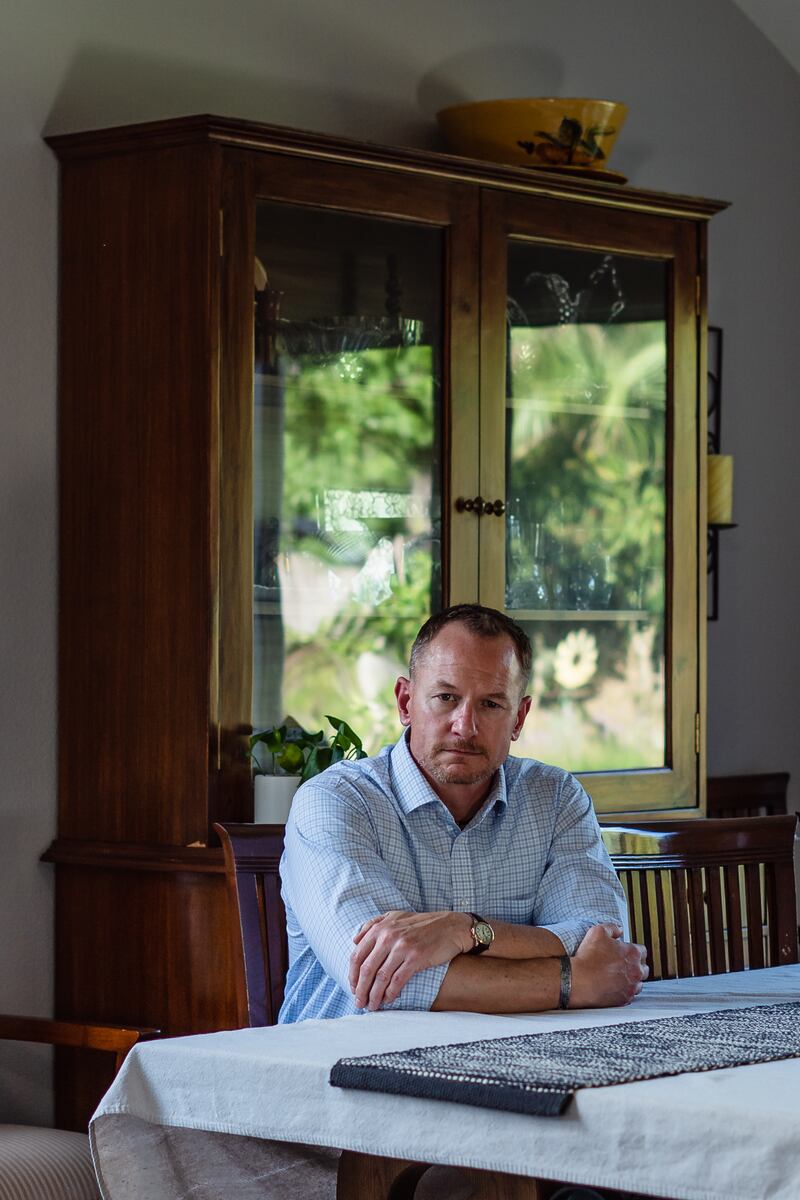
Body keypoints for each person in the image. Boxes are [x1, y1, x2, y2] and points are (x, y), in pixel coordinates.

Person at [279, 604, 647, 1023]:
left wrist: (463, 930)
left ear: (519, 718)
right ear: (405, 701)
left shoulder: (555, 798)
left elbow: (604, 941)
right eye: (446, 697)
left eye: (491, 704)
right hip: (335, 1068)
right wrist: (572, 982)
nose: (465, 725)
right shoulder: (335, 801)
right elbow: (389, 984)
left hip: (511, 1059)